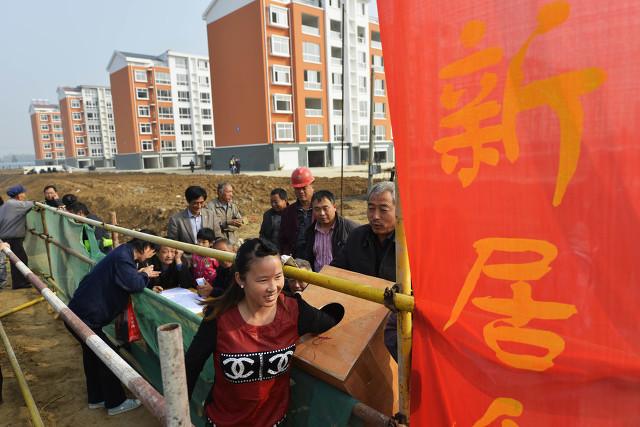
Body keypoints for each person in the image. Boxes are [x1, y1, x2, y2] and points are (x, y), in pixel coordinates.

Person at [185, 238, 342, 427]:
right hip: (223, 422)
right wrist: (179, 415)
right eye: (262, 280)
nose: (272, 288)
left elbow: (329, 320)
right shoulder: (219, 317)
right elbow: (190, 367)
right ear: (240, 279)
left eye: (278, 277)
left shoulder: (294, 310)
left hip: (274, 422)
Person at [67, 231, 160, 416]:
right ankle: (115, 402)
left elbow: (125, 277)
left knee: (92, 357)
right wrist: (145, 275)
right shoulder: (123, 257)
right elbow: (134, 284)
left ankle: (97, 398)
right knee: (108, 357)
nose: (151, 257)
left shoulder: (122, 253)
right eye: (153, 252)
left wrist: (139, 272)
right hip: (87, 317)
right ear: (147, 247)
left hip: (79, 313)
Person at [331, 181, 399, 361]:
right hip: (358, 321)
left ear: (399, 210)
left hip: (396, 327)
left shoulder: (409, 243)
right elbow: (335, 271)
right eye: (371, 208)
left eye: (383, 209)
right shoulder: (357, 236)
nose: (375, 216)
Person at [303, 190, 358, 272]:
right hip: (316, 280)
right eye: (317, 209)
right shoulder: (310, 231)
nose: (322, 213)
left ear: (334, 207)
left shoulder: (351, 230)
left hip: (340, 281)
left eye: (325, 208)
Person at [0, 185, 34, 289]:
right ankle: (20, 283)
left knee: (16, 260)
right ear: (19, 195)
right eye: (23, 193)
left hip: (8, 237)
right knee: (19, 260)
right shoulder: (14, 204)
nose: (25, 195)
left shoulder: (8, 204)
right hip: (11, 238)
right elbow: (32, 204)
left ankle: (20, 282)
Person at [279, 167, 314, 258]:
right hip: (296, 258)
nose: (301, 192)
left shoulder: (322, 210)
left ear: (312, 186)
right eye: (298, 189)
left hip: (318, 258)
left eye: (304, 188)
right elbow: (283, 239)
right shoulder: (288, 212)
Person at [191, 228, 219, 296]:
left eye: (204, 242)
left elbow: (219, 271)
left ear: (211, 243)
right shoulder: (194, 255)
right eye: (199, 241)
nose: (200, 244)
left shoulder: (214, 257)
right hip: (196, 287)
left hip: (210, 287)